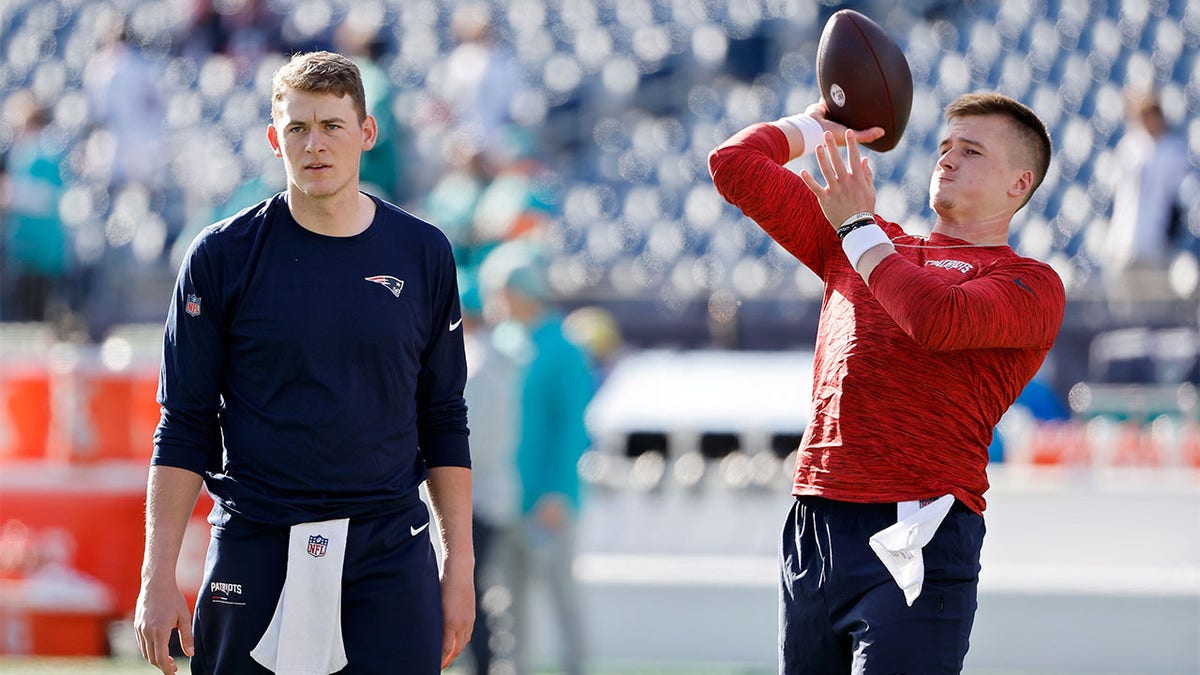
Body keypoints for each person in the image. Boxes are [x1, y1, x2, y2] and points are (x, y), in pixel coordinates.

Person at [133, 51, 474, 675]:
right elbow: (182, 422)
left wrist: (460, 564)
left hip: (387, 552)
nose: (314, 144)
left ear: (366, 132)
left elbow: (444, 417)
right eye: (297, 128)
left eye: (332, 126)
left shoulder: (424, 252)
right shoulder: (220, 256)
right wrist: (157, 574)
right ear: (274, 138)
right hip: (257, 541)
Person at [709, 92, 1065, 674]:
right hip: (815, 518)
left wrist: (855, 224)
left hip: (916, 526)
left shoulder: (1031, 283)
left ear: (1019, 184)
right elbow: (733, 166)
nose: (946, 160)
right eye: (945, 146)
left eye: (971, 151)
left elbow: (934, 318)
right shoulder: (864, 243)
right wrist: (811, 126)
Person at [481, 241, 594, 675]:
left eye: (501, 290)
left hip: (548, 501)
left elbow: (571, 430)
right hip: (505, 496)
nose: (495, 299)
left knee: (560, 593)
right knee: (508, 601)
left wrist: (558, 493)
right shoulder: (504, 342)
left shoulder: (563, 348)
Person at [459, 276, 522, 675]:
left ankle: (481, 665)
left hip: (473, 496)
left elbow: (466, 443)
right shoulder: (496, 357)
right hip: (491, 490)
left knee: (466, 589)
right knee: (476, 589)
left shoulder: (474, 361)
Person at [1102, 90, 1194, 305]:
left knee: (1155, 308)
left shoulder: (1174, 151)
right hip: (1124, 242)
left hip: (1156, 242)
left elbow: (1180, 200)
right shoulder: (1129, 147)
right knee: (1125, 309)